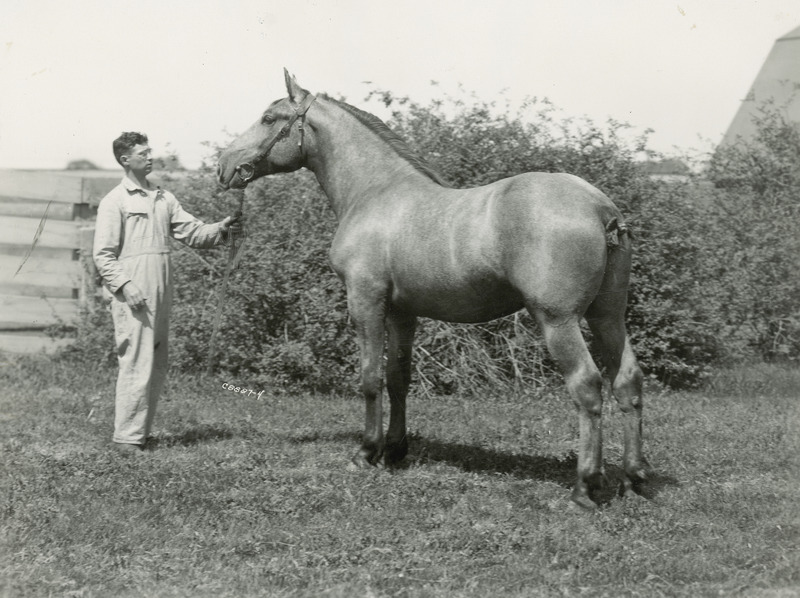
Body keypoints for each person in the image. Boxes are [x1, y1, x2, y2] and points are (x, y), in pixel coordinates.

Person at [93, 132, 242, 454]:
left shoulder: (163, 197)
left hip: (162, 287)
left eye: (150, 152)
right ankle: (126, 440)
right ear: (125, 160)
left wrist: (221, 228)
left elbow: (193, 232)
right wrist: (126, 286)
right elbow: (103, 255)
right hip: (134, 289)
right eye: (143, 153)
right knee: (136, 361)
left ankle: (139, 434)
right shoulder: (115, 201)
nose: (150, 157)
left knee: (156, 362)